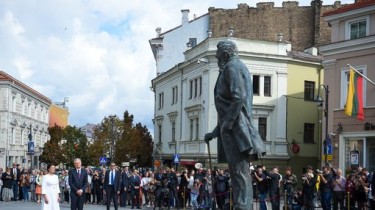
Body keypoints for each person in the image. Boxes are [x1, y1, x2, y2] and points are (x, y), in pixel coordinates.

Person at [204, 40, 266, 210]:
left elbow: (238, 98)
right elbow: (228, 106)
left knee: (239, 173)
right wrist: (215, 132)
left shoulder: (232, 68)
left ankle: (242, 206)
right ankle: (242, 205)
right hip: (235, 127)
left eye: (218, 57)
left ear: (225, 55)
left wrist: (226, 125)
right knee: (238, 172)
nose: (217, 60)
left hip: (237, 130)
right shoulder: (235, 67)